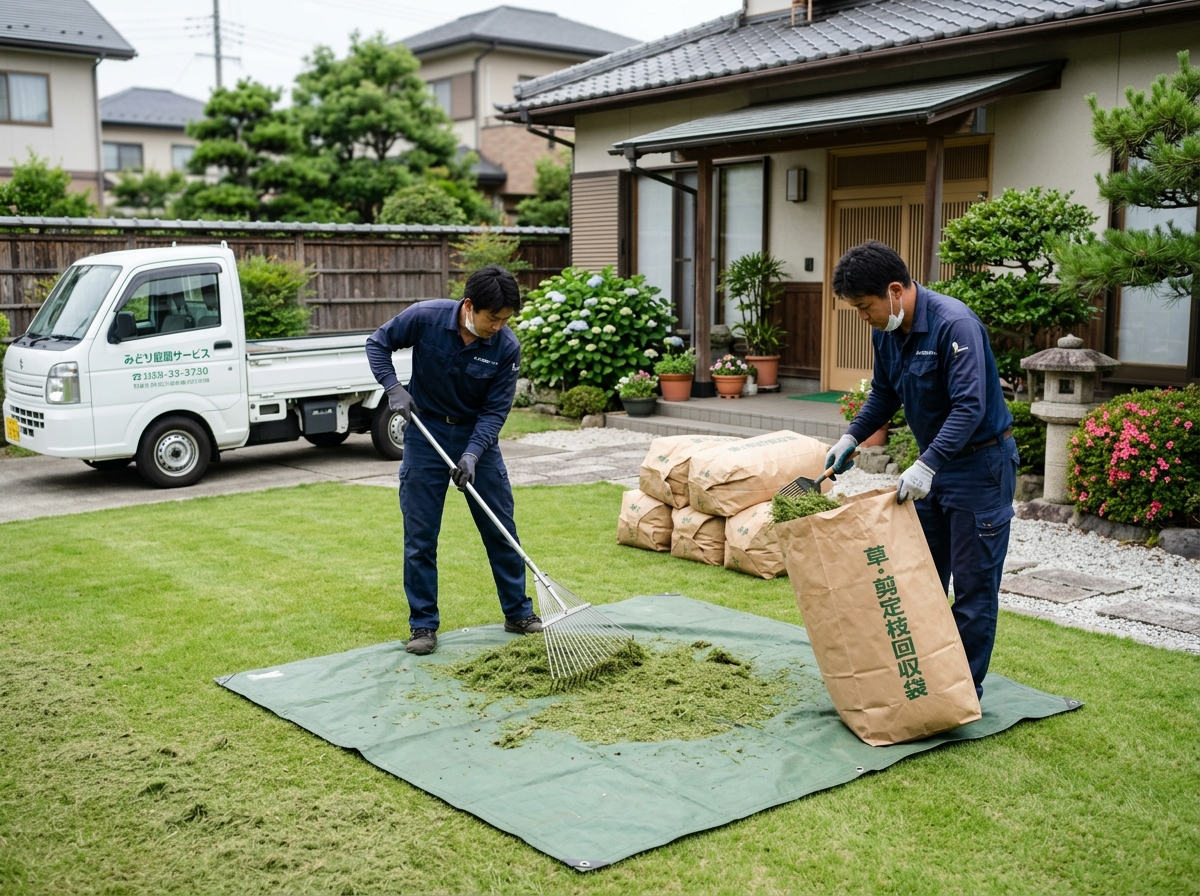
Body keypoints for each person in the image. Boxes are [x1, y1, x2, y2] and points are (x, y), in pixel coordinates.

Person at [825, 241, 1017, 699]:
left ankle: (960, 695)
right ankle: (927, 682)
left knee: (973, 589)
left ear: (895, 291)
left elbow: (970, 406)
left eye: (864, 307)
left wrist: (926, 464)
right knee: (922, 579)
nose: (862, 317)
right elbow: (884, 393)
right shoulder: (886, 329)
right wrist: (852, 437)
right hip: (932, 468)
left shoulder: (955, 325)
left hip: (981, 468)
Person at [365, 265, 541, 656]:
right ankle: (423, 625)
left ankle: (518, 612)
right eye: (493, 318)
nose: (498, 326)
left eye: (505, 319)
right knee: (421, 537)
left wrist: (473, 454)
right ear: (469, 305)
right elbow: (377, 343)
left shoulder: (506, 347)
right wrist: (393, 388)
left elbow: (495, 411)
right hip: (425, 433)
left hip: (477, 437)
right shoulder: (425, 317)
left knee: (501, 529)